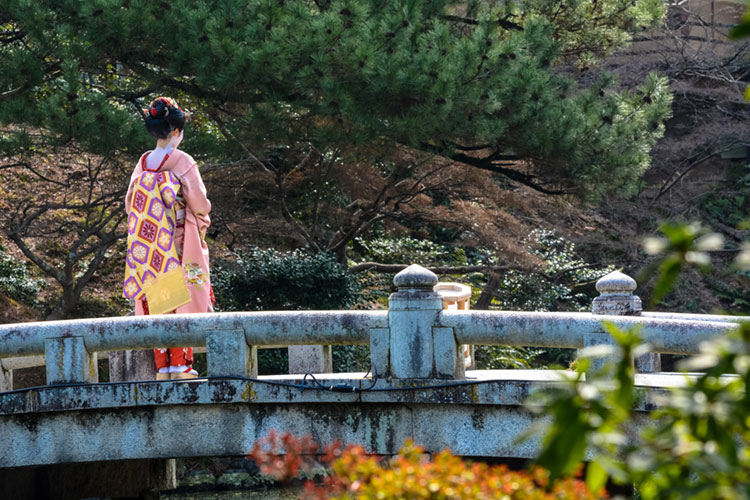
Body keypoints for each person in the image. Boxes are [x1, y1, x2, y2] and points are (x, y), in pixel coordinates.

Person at [123, 96, 214, 380]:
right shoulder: (182, 161)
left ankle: (163, 367)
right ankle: (181, 366)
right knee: (181, 302)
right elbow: (199, 201)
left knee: (159, 301)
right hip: (178, 242)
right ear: (175, 131)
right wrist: (201, 219)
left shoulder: (143, 163)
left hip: (151, 246)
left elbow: (130, 204)